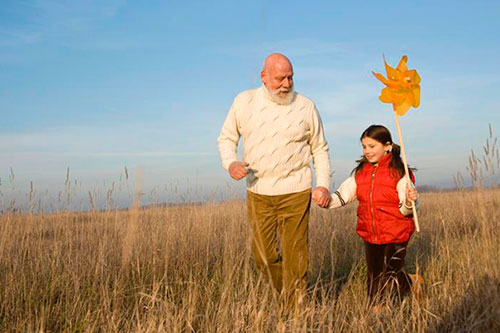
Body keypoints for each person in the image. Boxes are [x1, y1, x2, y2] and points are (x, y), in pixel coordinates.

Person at [217, 53, 332, 304]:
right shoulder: (243, 102)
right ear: (264, 77)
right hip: (258, 192)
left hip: (296, 191)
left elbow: (320, 148)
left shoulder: (305, 106)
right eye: (281, 78)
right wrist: (231, 163)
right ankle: (289, 296)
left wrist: (322, 184)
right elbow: (226, 138)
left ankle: (295, 311)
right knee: (264, 257)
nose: (287, 84)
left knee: (295, 256)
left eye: (291, 77)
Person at [328, 124, 422, 304]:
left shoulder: (399, 171)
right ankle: (376, 309)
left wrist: (411, 201)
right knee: (374, 274)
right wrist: (325, 200)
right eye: (364, 147)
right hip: (370, 232)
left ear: (387, 146)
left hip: (396, 232)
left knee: (389, 274)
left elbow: (407, 208)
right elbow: (342, 195)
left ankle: (411, 283)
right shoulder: (361, 172)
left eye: (372, 146)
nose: (367, 151)